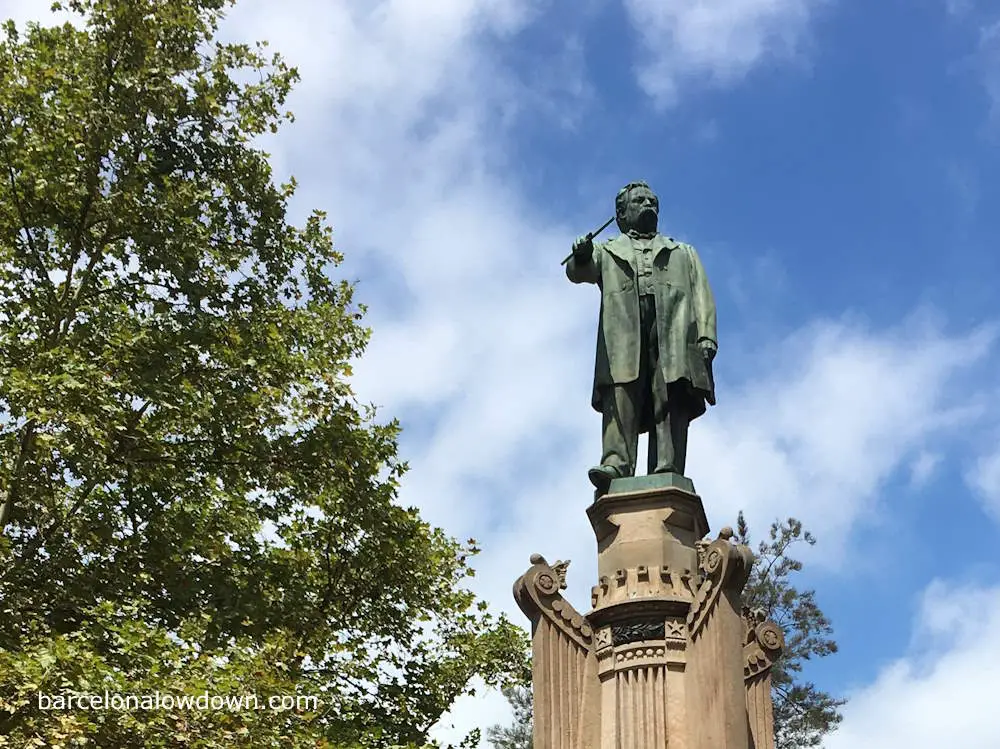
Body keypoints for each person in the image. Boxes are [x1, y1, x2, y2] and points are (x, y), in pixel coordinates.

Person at [566, 181, 717, 493]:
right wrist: (581, 254)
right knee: (621, 392)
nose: (648, 205)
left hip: (673, 331)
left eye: (652, 201)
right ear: (621, 214)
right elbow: (578, 271)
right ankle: (616, 463)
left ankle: (668, 465)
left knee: (670, 392)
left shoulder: (683, 253)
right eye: (639, 201)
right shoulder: (606, 251)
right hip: (624, 332)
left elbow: (703, 296)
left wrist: (706, 336)